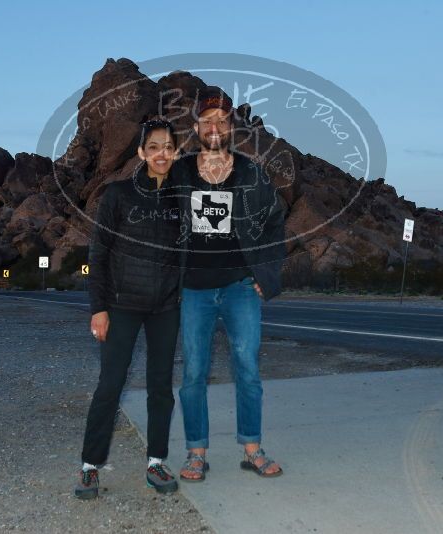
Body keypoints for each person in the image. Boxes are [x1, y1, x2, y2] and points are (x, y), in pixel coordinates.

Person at [172, 89, 286, 481]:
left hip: (240, 287)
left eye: (222, 119)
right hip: (194, 290)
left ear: (232, 126)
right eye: (207, 120)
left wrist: (265, 275)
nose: (215, 127)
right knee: (193, 374)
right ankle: (196, 452)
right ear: (196, 127)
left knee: (248, 370)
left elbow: (275, 223)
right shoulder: (180, 171)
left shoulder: (252, 173)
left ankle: (252, 447)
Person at [75, 118, 182, 500]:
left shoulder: (182, 198)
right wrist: (98, 308)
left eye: (168, 147)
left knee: (161, 388)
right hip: (120, 306)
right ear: (141, 152)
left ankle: (156, 461)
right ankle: (90, 466)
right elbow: (99, 253)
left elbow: (199, 249)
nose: (161, 154)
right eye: (153, 147)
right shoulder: (117, 194)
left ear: (177, 152)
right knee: (110, 385)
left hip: (166, 307)